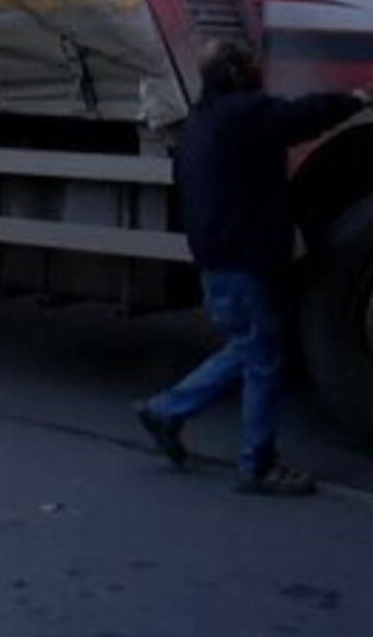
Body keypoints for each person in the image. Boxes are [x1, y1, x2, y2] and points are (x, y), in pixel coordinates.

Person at [135, 39, 370, 496]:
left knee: (250, 350)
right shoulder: (245, 114)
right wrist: (356, 99)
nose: (259, 69)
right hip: (243, 261)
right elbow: (301, 116)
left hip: (217, 260)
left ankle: (166, 412)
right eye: (251, 64)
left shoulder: (199, 122)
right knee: (263, 359)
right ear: (236, 72)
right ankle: (255, 464)